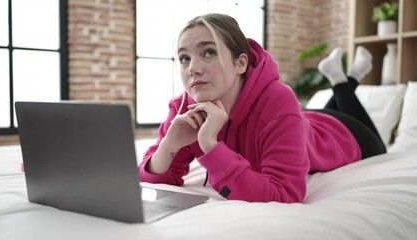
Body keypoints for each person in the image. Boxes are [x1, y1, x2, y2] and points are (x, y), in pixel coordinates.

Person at [138, 13, 386, 203]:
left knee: (380, 142)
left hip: (342, 134)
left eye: (209, 52)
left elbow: (285, 194)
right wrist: (169, 145)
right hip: (303, 120)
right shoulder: (184, 106)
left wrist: (211, 147)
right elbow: (150, 180)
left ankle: (343, 82)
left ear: (241, 63)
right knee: (309, 116)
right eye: (184, 58)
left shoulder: (279, 100)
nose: (193, 68)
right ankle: (345, 78)